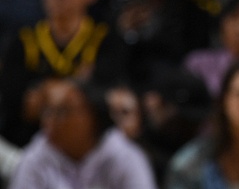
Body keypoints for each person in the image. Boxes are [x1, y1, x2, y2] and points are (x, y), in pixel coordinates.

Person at [0, 0, 128, 144]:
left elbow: (108, 99)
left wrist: (44, 93)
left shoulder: (105, 38)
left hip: (90, 144)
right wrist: (78, 88)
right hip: (27, 144)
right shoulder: (24, 39)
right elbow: (17, 104)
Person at [11, 79, 155, 189]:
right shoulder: (36, 157)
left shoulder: (124, 157)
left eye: (62, 112)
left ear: (91, 116)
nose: (50, 121)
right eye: (48, 112)